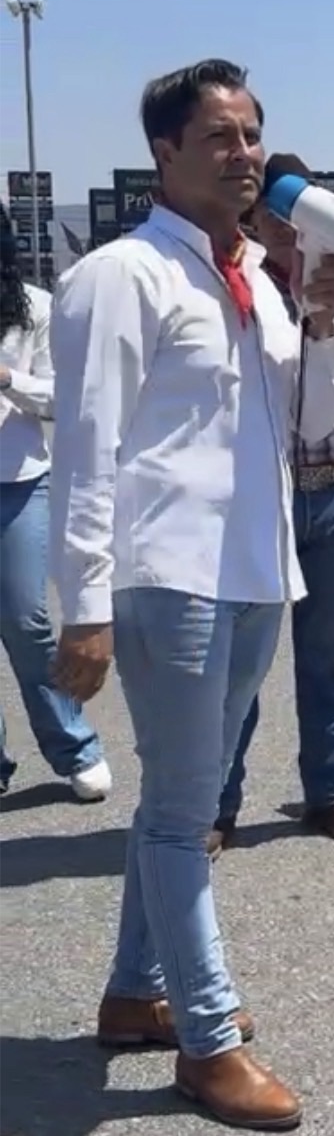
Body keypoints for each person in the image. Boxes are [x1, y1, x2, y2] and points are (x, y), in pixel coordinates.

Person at [49, 59, 334, 1130]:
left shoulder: (249, 277)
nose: (246, 152)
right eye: (220, 135)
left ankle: (136, 993)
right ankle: (207, 1042)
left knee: (181, 801)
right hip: (167, 576)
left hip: (256, 572)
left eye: (253, 132)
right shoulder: (120, 276)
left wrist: (301, 304)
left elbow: (261, 420)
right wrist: (82, 605)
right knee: (188, 818)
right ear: (164, 152)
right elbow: (87, 450)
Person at [214, 159, 334, 855]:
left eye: (307, 225)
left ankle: (329, 791)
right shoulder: (242, 298)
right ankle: (216, 803)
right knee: (243, 664)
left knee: (325, 657)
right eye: (278, 225)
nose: (294, 238)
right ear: (255, 227)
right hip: (264, 492)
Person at [1, 202, 110, 801]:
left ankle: (75, 746)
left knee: (26, 620)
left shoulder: (36, 307)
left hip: (17, 481)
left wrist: (8, 380)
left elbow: (63, 399)